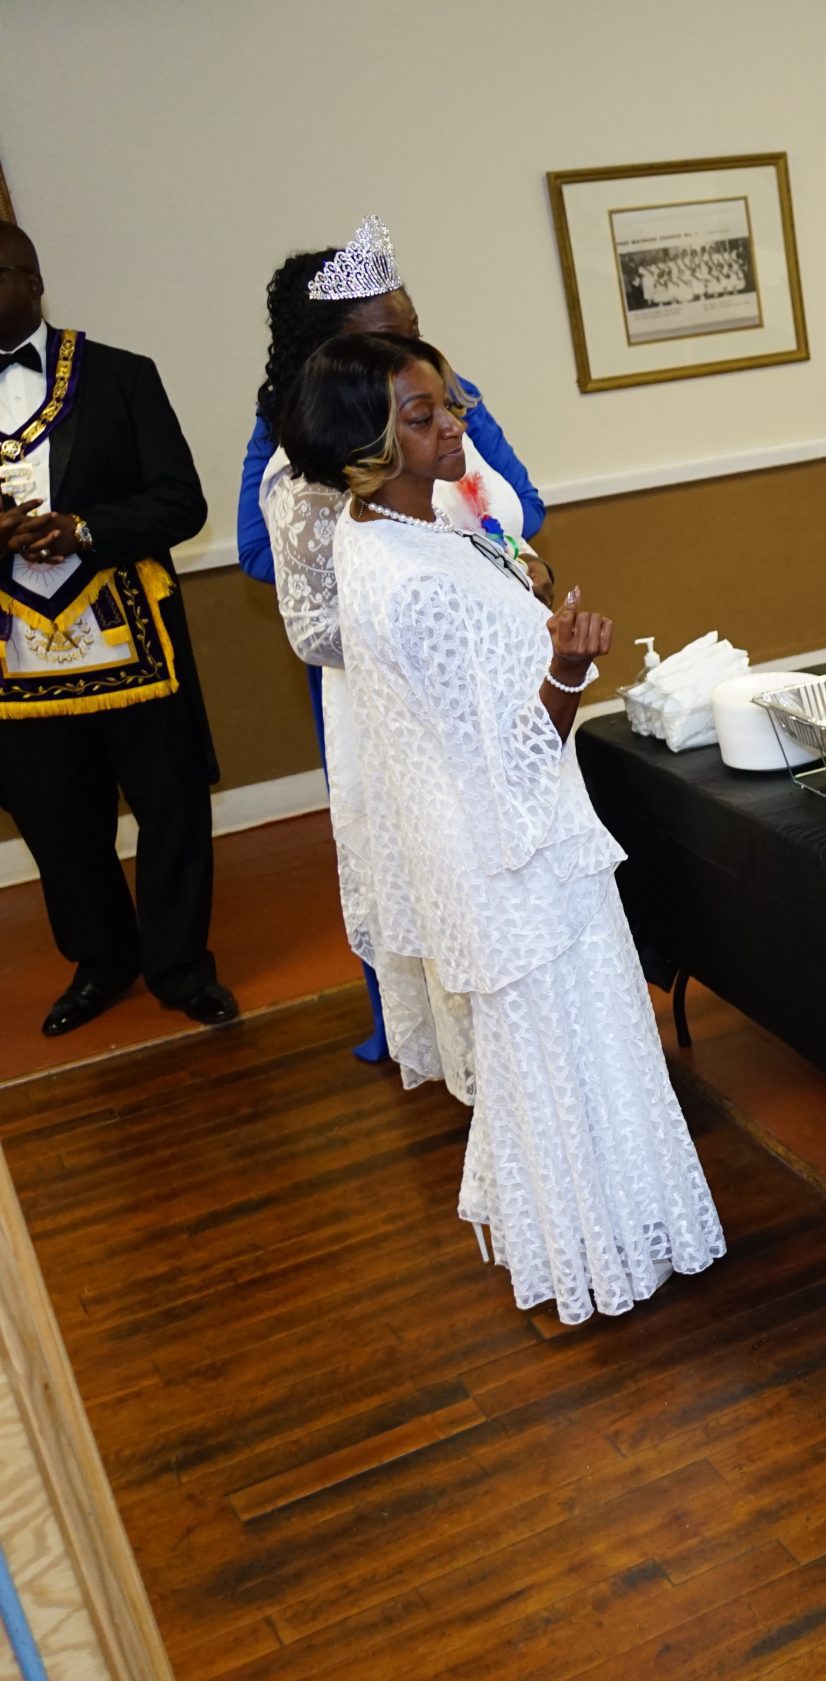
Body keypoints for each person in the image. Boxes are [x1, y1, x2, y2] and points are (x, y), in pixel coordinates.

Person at [276, 331, 721, 1322]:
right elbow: (510, 759)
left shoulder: (386, 526)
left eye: (448, 406)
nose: (453, 427)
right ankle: (601, 1255)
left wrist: (523, 607)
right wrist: (566, 667)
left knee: (554, 1064)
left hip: (489, 848)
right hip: (516, 856)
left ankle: (594, 1238)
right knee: (575, 1056)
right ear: (364, 444)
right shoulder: (415, 582)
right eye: (423, 416)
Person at [244, 216, 545, 1060]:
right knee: (425, 862)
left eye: (411, 330)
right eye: (385, 337)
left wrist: (495, 566)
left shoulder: (445, 405)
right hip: (390, 688)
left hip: (491, 666)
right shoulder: (299, 446)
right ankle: (449, 1043)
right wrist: (413, 595)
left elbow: (517, 505)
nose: (408, 351)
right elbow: (268, 562)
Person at [0, 219, 236, 1036]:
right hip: (17, 666)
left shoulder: (120, 376)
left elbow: (182, 502)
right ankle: (101, 961)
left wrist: (85, 529)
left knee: (171, 808)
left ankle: (181, 967)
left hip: (134, 643)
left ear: (33, 279)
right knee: (57, 822)